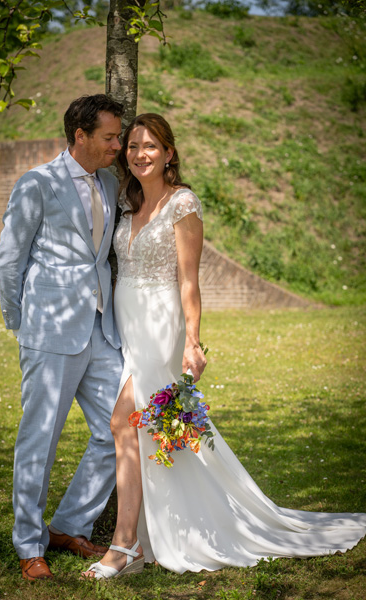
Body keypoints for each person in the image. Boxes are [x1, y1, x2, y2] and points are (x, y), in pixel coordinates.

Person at [83, 113, 366, 579]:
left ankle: (125, 544)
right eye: (132, 146)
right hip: (127, 328)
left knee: (124, 421)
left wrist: (192, 342)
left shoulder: (183, 203)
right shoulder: (127, 203)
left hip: (161, 328)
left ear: (169, 153)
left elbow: (189, 281)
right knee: (149, 429)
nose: (140, 154)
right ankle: (158, 529)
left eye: (150, 146)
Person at [0, 94, 125, 581]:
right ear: (80, 135)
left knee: (120, 428)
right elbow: (9, 259)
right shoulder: (37, 183)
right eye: (110, 137)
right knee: (40, 439)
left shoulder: (109, 182)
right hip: (49, 329)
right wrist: (20, 322)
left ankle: (68, 525)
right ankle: (29, 544)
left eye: (118, 136)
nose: (117, 145)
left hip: (101, 329)